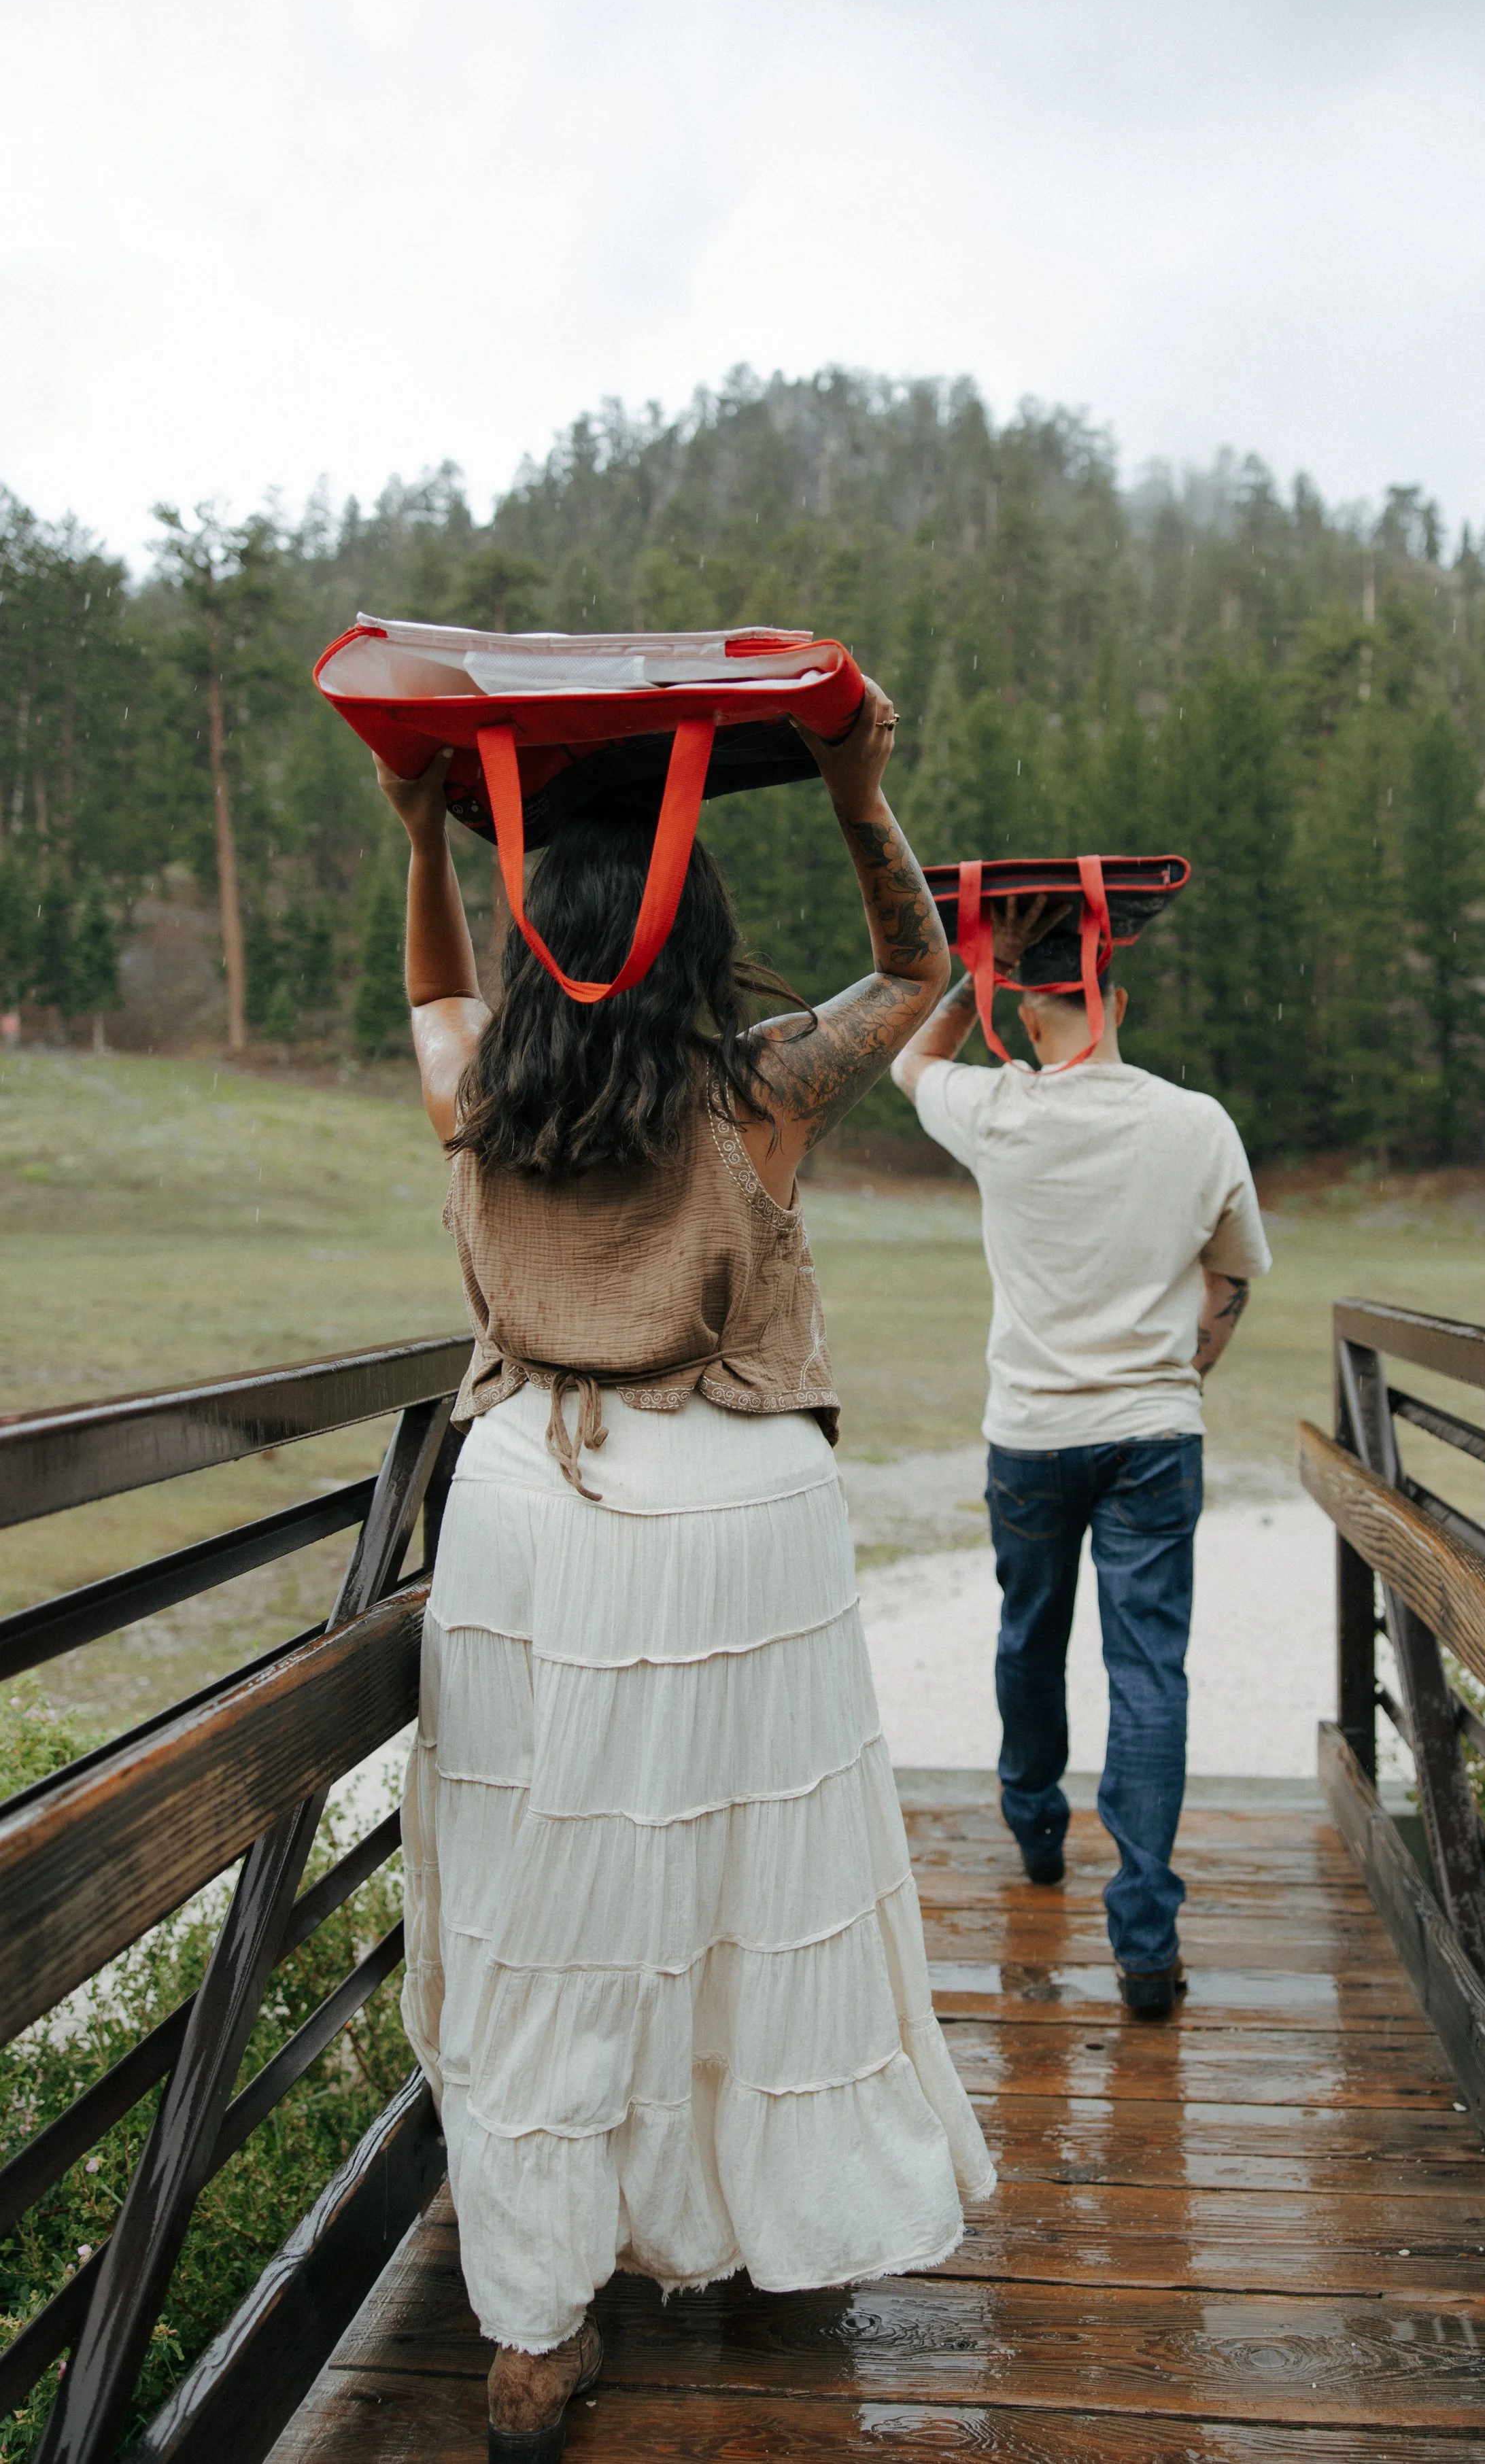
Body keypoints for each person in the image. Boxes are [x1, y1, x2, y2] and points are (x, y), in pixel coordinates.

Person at [377, 688, 994, 2463]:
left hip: (526, 1510)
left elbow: (432, 998)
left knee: (536, 1911)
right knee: (756, 1875)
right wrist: (862, 790)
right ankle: (757, 2217)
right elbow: (913, 969)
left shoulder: (478, 1086)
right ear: (697, 939)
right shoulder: (756, 1085)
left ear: (532, 943)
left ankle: (534, 2328)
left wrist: (424, 833)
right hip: (736, 1514)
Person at [893, 901, 1271, 2020]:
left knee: (1030, 1637)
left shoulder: (997, 1111)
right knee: (1149, 1674)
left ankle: (1036, 1829)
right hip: (1155, 1433)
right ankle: (1146, 1942)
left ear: (1030, 1001)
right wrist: (1181, 1371)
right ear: (1120, 995)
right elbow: (1232, 1278)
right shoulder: (1199, 1123)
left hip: (1032, 1434)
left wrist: (978, 967)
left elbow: (915, 1057)